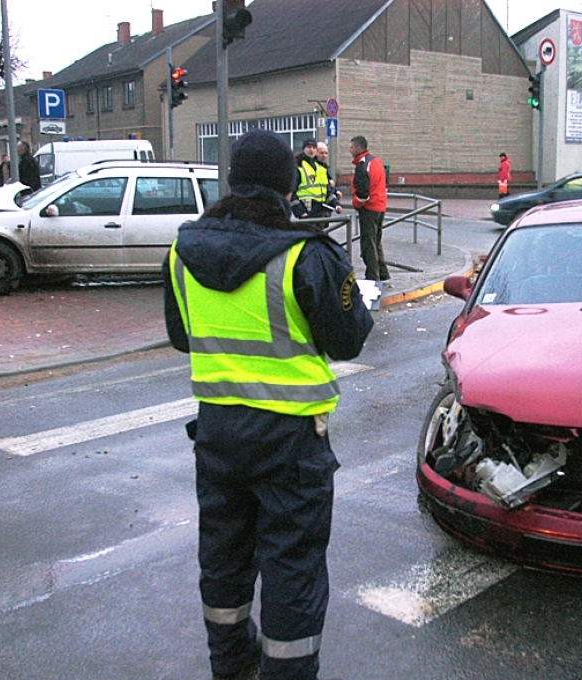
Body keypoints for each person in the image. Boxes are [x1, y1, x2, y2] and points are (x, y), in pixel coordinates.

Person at [163, 128, 374, 680]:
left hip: (217, 434)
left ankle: (231, 666)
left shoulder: (182, 251)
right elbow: (350, 338)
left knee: (224, 557)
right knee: (292, 568)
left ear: (233, 180)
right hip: (291, 442)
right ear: (286, 187)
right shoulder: (304, 254)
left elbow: (181, 337)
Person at [349, 135, 389, 281]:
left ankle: (373, 276)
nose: (350, 150)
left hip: (369, 208)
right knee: (376, 241)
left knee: (368, 243)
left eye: (352, 147)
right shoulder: (376, 161)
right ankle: (383, 272)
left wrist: (356, 204)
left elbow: (362, 193)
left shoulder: (362, 165)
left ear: (359, 148)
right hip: (380, 205)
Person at [292, 138, 332, 219]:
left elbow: (327, 190)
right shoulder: (298, 165)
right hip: (306, 211)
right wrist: (300, 211)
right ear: (304, 149)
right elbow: (291, 191)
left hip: (320, 210)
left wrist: (336, 204)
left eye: (314, 148)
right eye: (309, 147)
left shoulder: (320, 166)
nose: (312, 150)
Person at [315, 141, 342, 214]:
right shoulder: (313, 168)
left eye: (326, 153)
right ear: (316, 153)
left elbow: (328, 187)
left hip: (326, 206)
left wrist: (336, 192)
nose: (324, 155)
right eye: (321, 153)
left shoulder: (326, 167)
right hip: (315, 208)